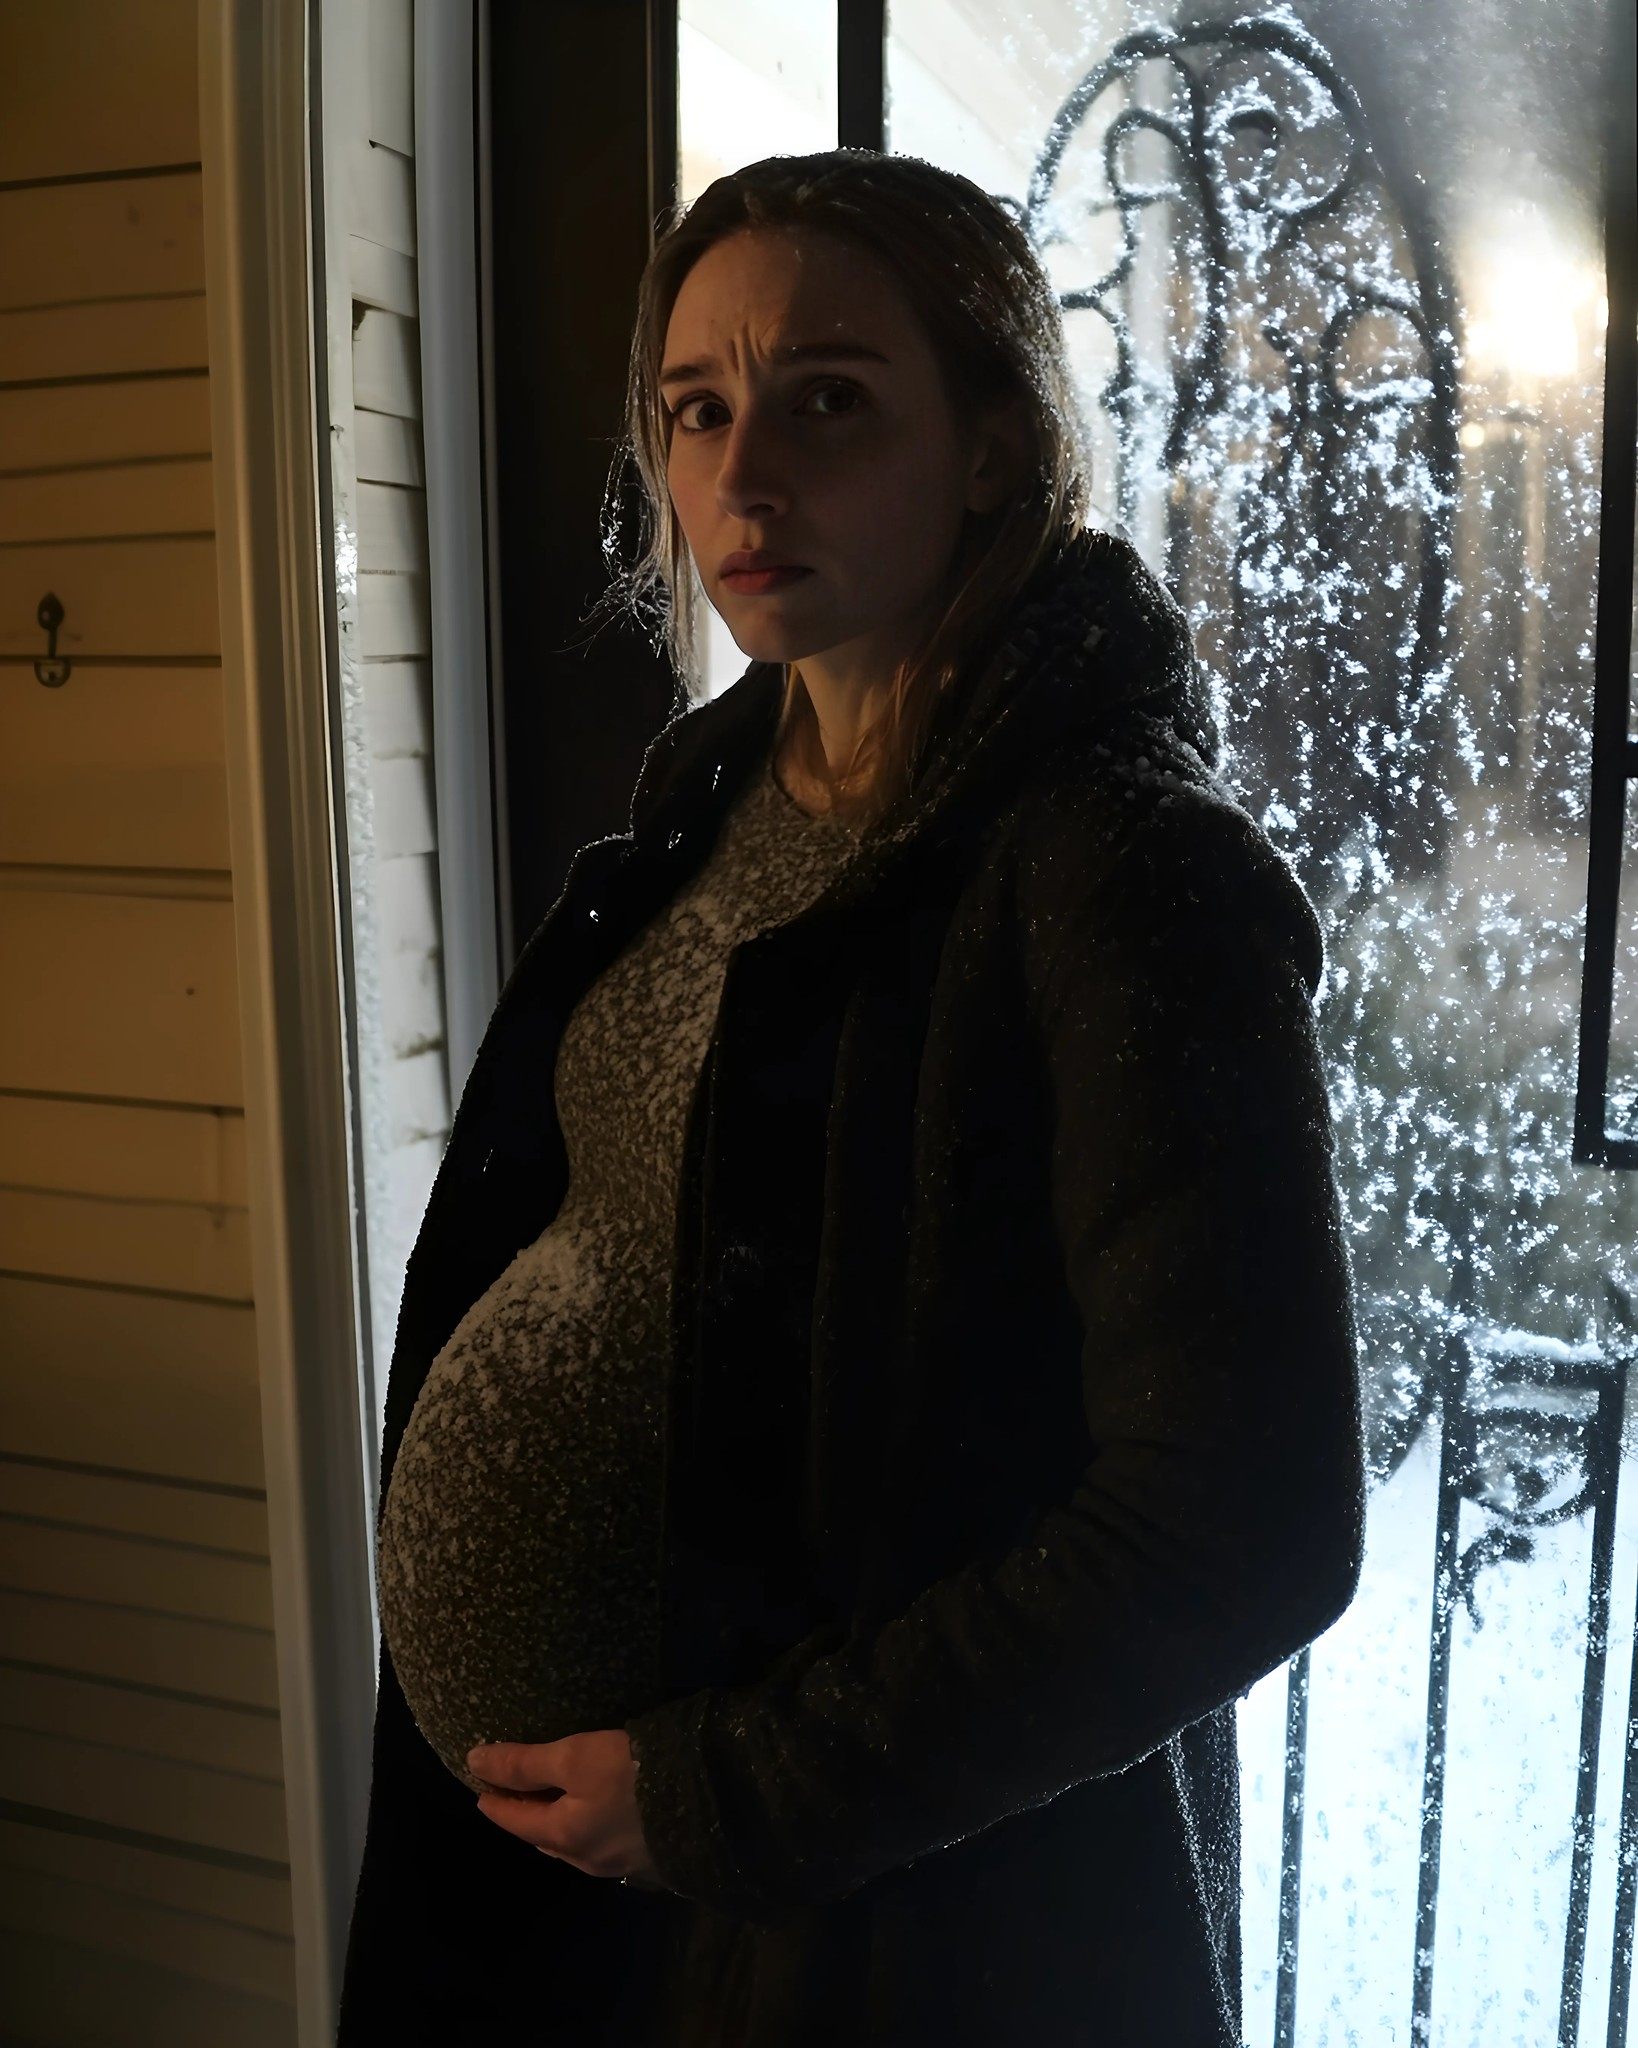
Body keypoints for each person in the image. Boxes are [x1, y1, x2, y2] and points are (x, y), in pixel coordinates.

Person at [337, 149, 1368, 2047]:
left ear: (990, 447)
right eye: (695, 410)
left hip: (898, 1934)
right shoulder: (709, 805)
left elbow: (1243, 1525)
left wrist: (729, 1796)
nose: (743, 477)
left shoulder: (1118, 872)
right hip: (597, 1913)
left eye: (827, 401)